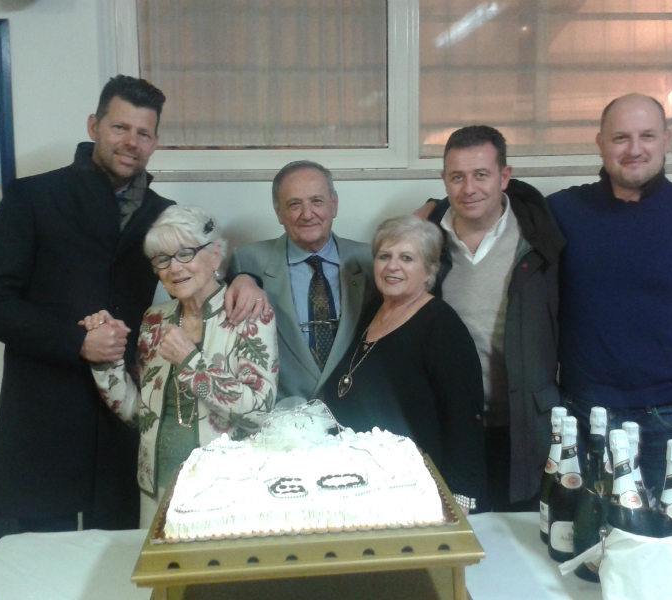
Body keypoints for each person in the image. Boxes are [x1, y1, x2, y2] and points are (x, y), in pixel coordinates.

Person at [0, 75, 267, 532]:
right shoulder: (32, 197)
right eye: (120, 128)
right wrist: (76, 342)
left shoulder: (163, 211)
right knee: (41, 550)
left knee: (121, 551)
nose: (131, 142)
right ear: (94, 126)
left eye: (143, 133)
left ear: (155, 143)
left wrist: (248, 277)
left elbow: (203, 265)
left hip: (127, 417)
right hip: (43, 411)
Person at [546, 93, 672, 501]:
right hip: (581, 416)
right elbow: (491, 209)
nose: (634, 149)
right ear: (600, 143)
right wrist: (433, 210)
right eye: (621, 138)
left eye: (647, 136)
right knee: (578, 535)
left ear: (666, 140)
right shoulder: (562, 212)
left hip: (667, 422)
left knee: (661, 537)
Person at [81, 207, 277, 526]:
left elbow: (258, 413)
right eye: (162, 259)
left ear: (215, 255)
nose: (174, 268)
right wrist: (106, 359)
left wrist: (190, 362)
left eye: (185, 253)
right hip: (156, 486)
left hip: (226, 488)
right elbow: (138, 414)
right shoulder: (154, 319)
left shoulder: (249, 314)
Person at [415, 126, 566, 512]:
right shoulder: (423, 243)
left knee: (524, 535)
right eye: (457, 177)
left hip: (526, 427)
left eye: (481, 175)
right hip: (452, 428)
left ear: (504, 176)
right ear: (444, 180)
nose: (469, 189)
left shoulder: (542, 239)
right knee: (460, 532)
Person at [322, 216, 485, 512]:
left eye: (407, 258)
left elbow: (463, 416)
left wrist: (458, 497)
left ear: (429, 271)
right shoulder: (373, 309)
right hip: (359, 479)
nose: (392, 266)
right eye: (384, 256)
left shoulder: (442, 324)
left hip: (413, 485)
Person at [228, 160, 376, 401]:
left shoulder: (371, 261)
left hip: (355, 410)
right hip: (282, 414)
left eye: (317, 201)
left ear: (334, 205)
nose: (307, 215)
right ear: (279, 213)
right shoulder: (247, 262)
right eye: (294, 204)